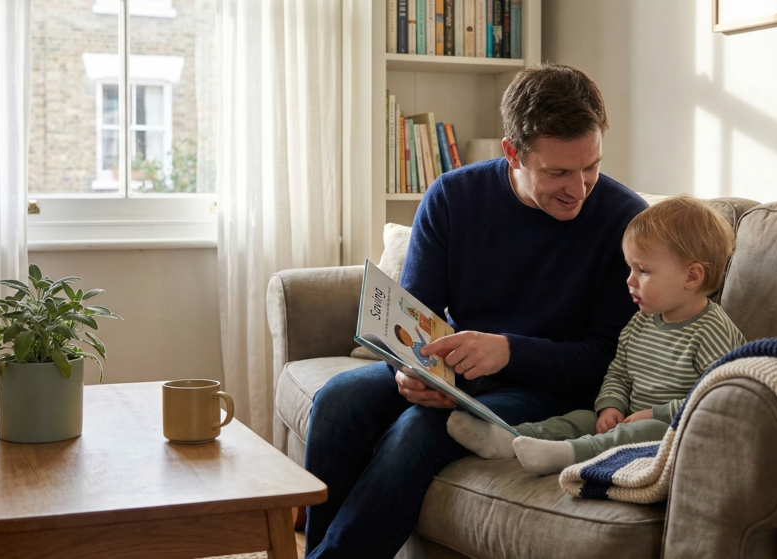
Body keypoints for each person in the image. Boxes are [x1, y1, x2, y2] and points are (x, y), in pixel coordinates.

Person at [302, 63, 647, 558]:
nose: (580, 188)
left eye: (591, 165)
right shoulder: (453, 197)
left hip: (552, 389)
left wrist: (508, 352)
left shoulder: (625, 221)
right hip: (461, 368)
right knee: (338, 400)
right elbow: (411, 313)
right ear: (512, 153)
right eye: (558, 172)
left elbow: (607, 360)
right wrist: (410, 371)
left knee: (421, 430)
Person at [447, 195, 748, 475]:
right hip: (629, 416)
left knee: (644, 431)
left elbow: (716, 397)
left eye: (643, 270)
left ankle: (566, 454)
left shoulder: (711, 330)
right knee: (581, 417)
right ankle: (511, 438)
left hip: (674, 429)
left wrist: (654, 414)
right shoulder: (640, 323)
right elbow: (619, 372)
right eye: (629, 268)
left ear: (692, 276)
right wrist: (611, 405)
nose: (629, 280)